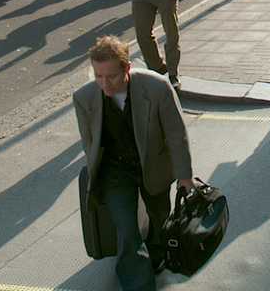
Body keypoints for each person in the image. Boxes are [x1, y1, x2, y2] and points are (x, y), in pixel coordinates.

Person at [74, 35, 194, 291]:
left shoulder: (157, 88)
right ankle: (139, 285)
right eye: (98, 76)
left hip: (153, 165)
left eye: (111, 76)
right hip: (115, 171)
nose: (104, 84)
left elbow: (176, 134)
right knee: (127, 230)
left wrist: (185, 177)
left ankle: (157, 255)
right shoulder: (84, 98)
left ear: (127, 68)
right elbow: (89, 144)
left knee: (160, 219)